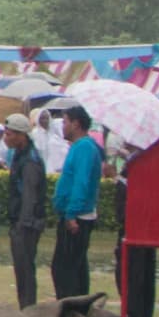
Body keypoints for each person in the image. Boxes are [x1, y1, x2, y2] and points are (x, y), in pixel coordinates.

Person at [51, 105, 104, 304]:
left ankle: (70, 310)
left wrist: (71, 213)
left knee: (64, 269)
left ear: (76, 124)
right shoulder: (81, 147)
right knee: (76, 266)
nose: (63, 126)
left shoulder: (84, 148)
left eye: (65, 122)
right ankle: (78, 309)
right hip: (75, 213)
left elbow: (81, 182)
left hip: (78, 216)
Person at [0, 117, 48, 303]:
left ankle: (28, 308)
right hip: (22, 220)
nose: (6, 138)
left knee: (25, 268)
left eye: (9, 134)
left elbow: (30, 194)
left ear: (21, 135)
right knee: (22, 269)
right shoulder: (19, 155)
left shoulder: (29, 161)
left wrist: (23, 223)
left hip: (27, 223)